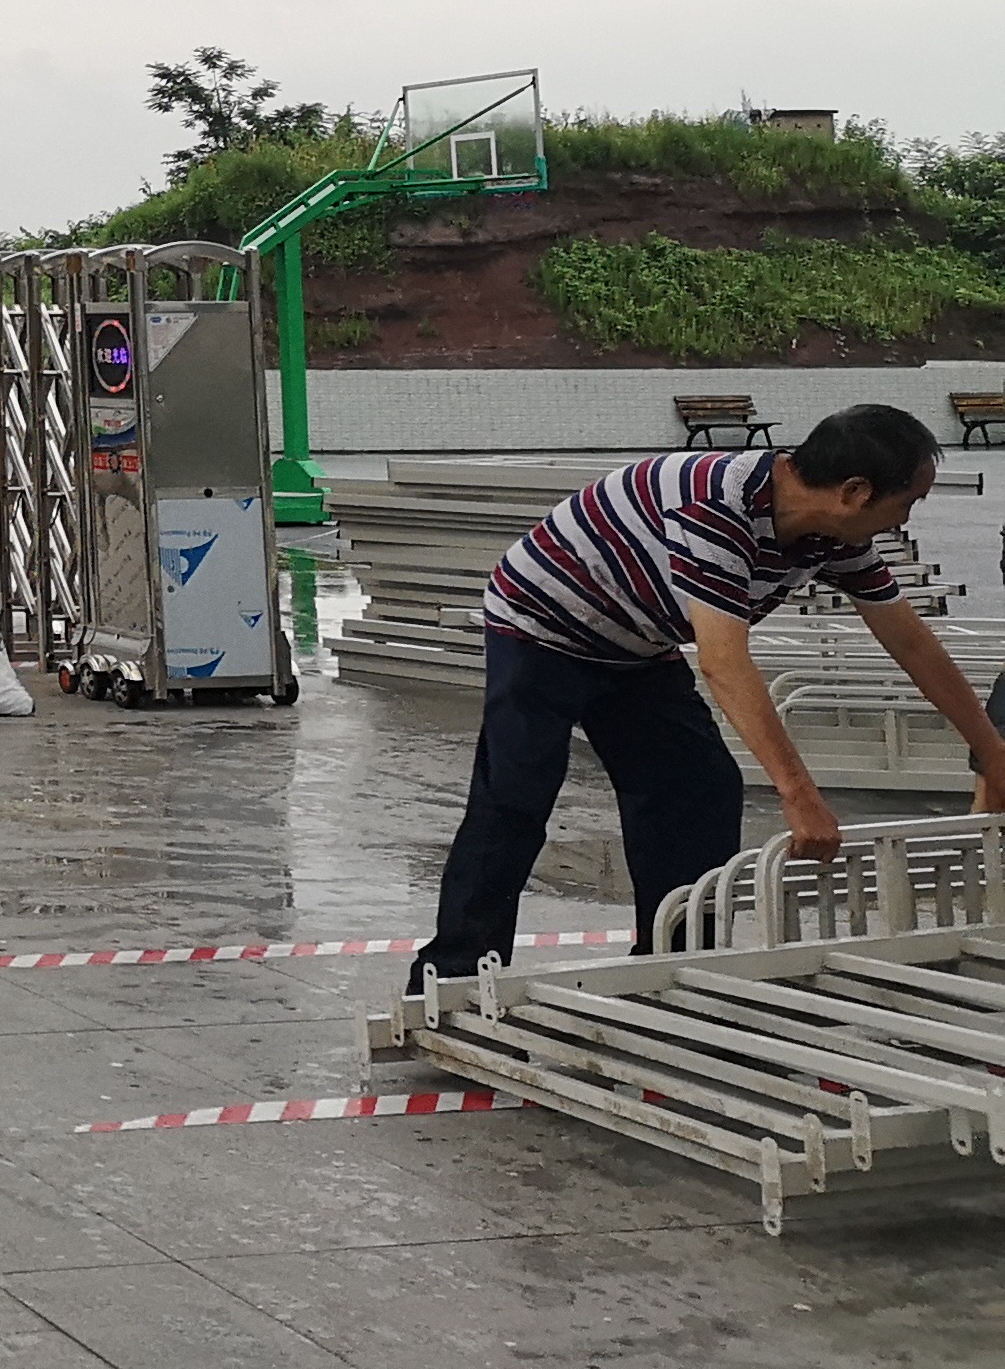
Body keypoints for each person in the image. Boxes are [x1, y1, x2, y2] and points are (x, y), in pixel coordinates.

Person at [411, 403, 1005, 990]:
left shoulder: (831, 535)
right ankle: (454, 973)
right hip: (540, 625)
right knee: (515, 796)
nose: (902, 523)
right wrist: (799, 794)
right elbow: (724, 663)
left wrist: (993, 753)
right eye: (906, 505)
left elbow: (911, 641)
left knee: (696, 790)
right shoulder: (716, 509)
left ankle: (675, 963)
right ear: (854, 492)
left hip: (637, 643)